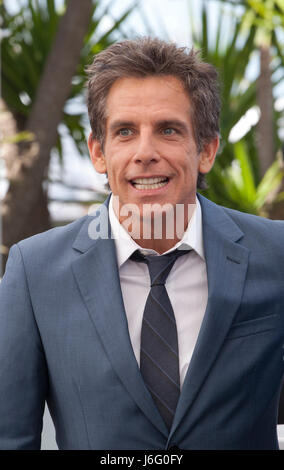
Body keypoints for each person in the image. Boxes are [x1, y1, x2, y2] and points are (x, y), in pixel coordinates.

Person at [0, 37, 283, 450]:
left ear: (206, 150)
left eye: (168, 130)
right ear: (99, 152)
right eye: (125, 132)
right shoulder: (34, 271)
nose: (145, 152)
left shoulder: (276, 254)